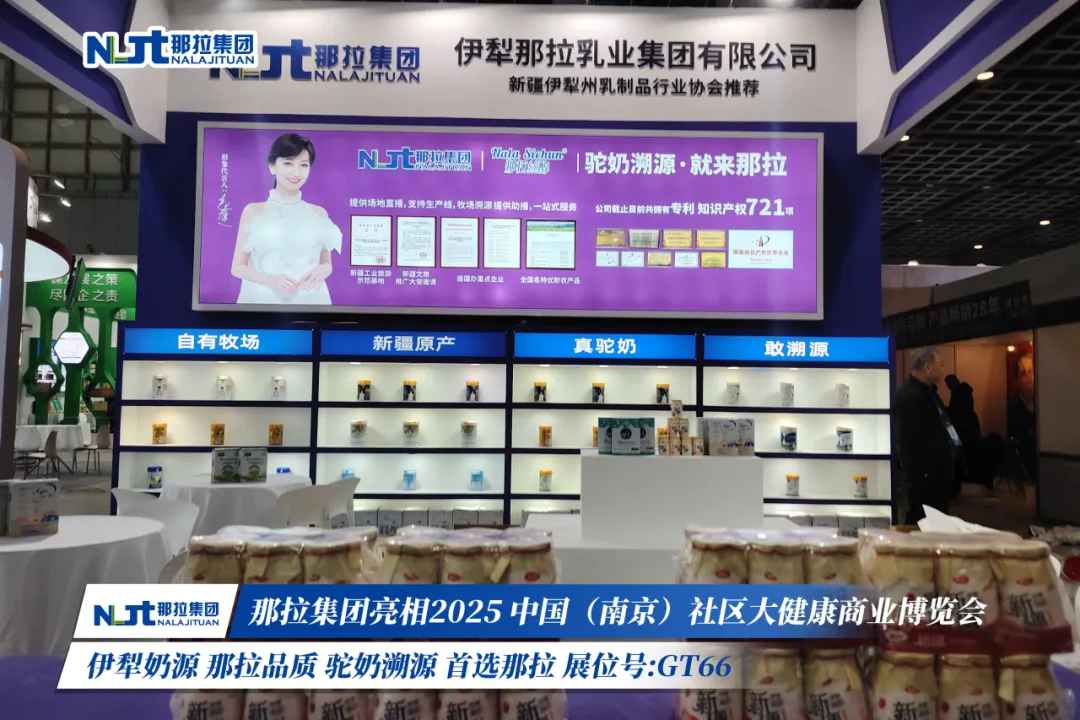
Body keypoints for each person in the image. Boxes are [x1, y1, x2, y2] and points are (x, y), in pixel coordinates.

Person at [231, 132, 342, 305]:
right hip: (263, 301)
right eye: (288, 163)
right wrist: (270, 279)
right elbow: (237, 267)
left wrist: (322, 270)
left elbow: (327, 263)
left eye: (303, 165)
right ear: (272, 166)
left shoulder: (319, 214)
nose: (296, 172)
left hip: (310, 300)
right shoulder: (253, 211)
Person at [894, 347, 961, 523]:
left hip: (936, 478)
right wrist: (923, 474)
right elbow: (907, 441)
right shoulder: (910, 396)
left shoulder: (928, 393)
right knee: (923, 524)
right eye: (940, 364)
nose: (943, 368)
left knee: (937, 524)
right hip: (925, 480)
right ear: (927, 367)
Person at [945, 374, 992, 496]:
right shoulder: (965, 393)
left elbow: (955, 414)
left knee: (961, 458)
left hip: (962, 431)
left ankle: (957, 486)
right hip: (970, 430)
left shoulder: (957, 395)